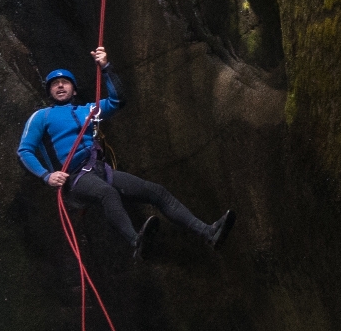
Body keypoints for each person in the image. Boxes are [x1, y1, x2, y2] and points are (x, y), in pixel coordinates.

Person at [18, 50, 234, 255]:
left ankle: (208, 232)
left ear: (74, 89)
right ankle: (135, 241)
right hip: (76, 178)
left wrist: (106, 67)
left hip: (101, 170)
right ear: (49, 92)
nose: (60, 86)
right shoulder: (42, 116)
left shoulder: (88, 111)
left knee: (155, 191)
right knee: (107, 193)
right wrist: (47, 176)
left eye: (65, 82)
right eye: (55, 84)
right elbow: (25, 150)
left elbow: (117, 100)